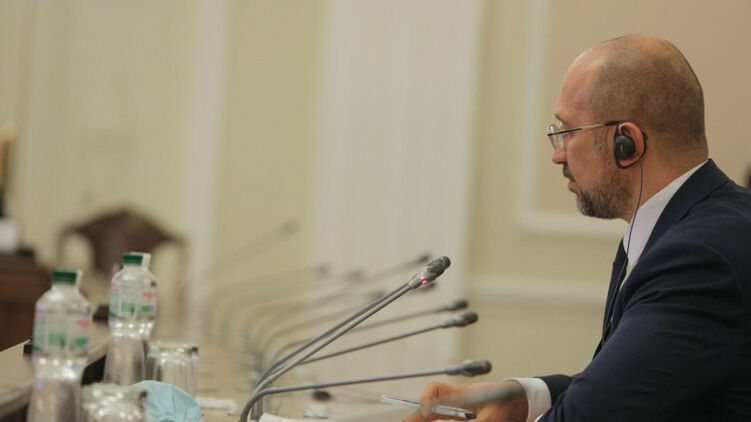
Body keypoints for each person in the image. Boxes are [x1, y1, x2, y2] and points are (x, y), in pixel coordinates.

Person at [402, 34, 751, 422]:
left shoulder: (699, 261)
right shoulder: (700, 228)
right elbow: (631, 388)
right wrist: (524, 397)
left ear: (627, 143)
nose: (558, 154)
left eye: (567, 131)